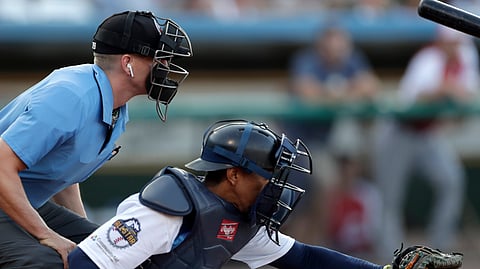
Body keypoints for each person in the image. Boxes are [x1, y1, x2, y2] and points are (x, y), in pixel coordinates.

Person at [67, 119, 432, 269]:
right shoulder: (169, 208)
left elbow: (304, 259)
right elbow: (85, 264)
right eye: (268, 176)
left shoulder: (236, 218)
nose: (277, 187)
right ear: (234, 175)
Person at [0, 10, 193, 269]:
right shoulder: (71, 95)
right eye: (160, 59)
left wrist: (90, 239)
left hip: (22, 201)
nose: (166, 68)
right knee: (44, 261)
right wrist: (48, 236)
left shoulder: (116, 106)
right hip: (7, 195)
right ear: (128, 63)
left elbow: (61, 170)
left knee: (117, 253)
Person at [371, 25, 479, 259]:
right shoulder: (427, 58)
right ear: (441, 42)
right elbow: (411, 99)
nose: (455, 47)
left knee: (451, 181)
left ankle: (439, 247)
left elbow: (467, 95)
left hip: (427, 133)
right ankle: (392, 255)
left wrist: (452, 94)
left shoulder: (466, 56)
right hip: (398, 131)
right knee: (391, 197)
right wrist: (444, 90)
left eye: (458, 42)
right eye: (451, 42)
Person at [282, 22, 380, 245]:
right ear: (321, 47)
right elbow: (307, 92)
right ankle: (309, 247)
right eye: (330, 48)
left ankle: (320, 245)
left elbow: (371, 86)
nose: (336, 54)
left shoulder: (352, 59)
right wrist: (344, 92)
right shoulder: (306, 60)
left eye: (340, 49)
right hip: (297, 143)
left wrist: (336, 92)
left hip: (327, 142)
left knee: (345, 176)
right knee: (316, 192)